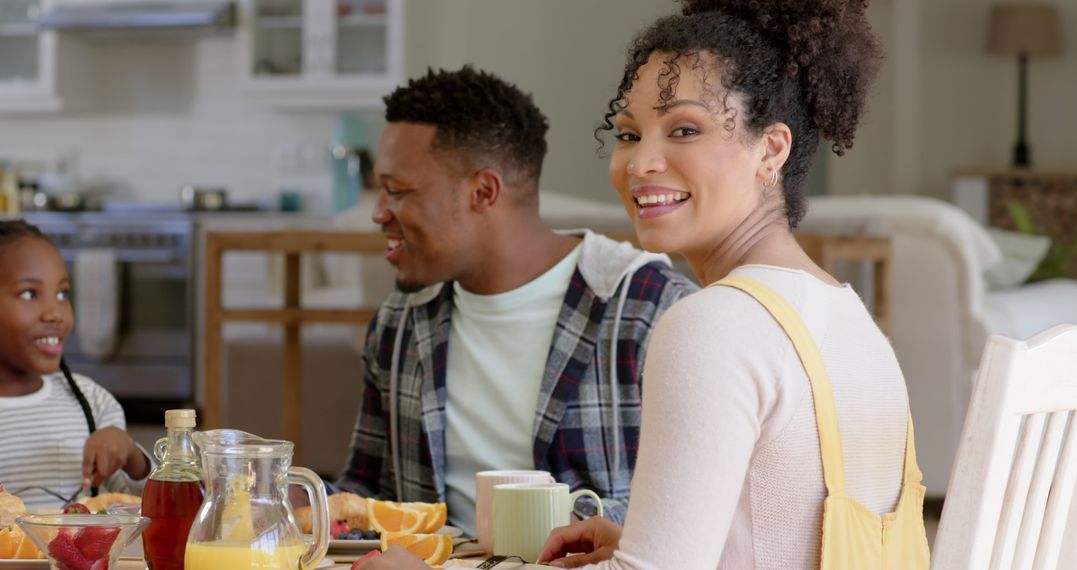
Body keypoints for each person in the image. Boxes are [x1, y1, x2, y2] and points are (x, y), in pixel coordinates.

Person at [363, 0, 929, 568]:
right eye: (630, 134)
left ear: (771, 149)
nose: (640, 163)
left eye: (685, 129)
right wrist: (634, 537)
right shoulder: (842, 313)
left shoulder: (713, 324)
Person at [334, 65, 698, 535]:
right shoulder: (401, 319)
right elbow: (365, 490)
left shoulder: (651, 310)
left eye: (398, 191)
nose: (378, 212)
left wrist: (556, 526)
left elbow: (696, 512)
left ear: (483, 192)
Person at [0, 220, 151, 511]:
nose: (55, 313)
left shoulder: (92, 402)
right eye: (30, 294)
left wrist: (132, 456)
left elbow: (141, 504)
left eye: (63, 294)